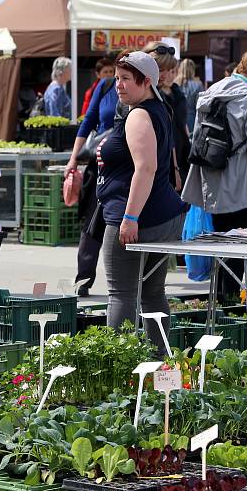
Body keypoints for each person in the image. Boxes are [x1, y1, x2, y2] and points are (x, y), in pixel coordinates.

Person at [92, 50, 185, 355]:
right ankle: (158, 359)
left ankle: (118, 366)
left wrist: (130, 217)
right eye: (117, 78)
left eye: (126, 79)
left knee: (122, 294)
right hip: (159, 215)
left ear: (146, 82)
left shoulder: (140, 114)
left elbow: (146, 168)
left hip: (136, 218)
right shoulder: (156, 108)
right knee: (152, 292)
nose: (118, 85)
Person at [182, 49, 247, 302]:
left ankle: (219, 300)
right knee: (238, 245)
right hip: (243, 181)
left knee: (221, 246)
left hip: (212, 177)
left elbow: (198, 139)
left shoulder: (212, 91)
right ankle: (231, 303)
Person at [66, 57, 119, 297]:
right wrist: (73, 158)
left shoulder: (148, 92)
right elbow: (88, 121)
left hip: (126, 169)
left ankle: (125, 283)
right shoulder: (106, 86)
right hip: (99, 165)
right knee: (92, 223)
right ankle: (83, 279)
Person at [143, 42, 186, 189]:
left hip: (166, 166)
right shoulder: (134, 95)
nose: (165, 75)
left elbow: (172, 135)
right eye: (161, 69)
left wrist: (175, 169)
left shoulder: (169, 96)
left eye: (170, 70)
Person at [174, 58, 204, 131]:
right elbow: (200, 106)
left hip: (175, 119)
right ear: (193, 70)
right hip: (191, 120)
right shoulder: (198, 85)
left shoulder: (174, 84)